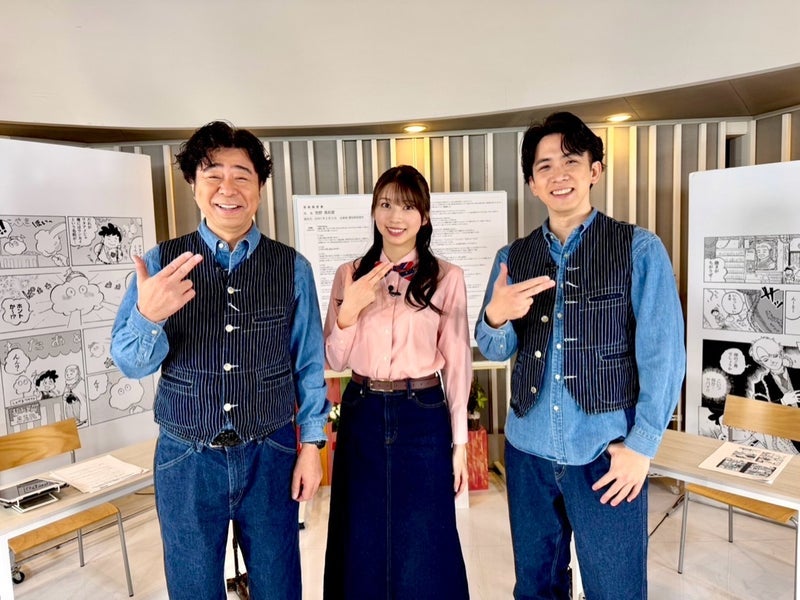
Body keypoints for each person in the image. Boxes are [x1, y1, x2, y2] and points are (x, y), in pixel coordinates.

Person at [110, 121, 329, 600]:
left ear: (259, 188)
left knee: (279, 585)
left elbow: (310, 364)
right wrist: (148, 316)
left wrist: (312, 446)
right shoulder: (161, 263)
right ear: (194, 185)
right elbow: (130, 363)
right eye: (213, 175)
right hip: (186, 456)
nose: (227, 189)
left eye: (241, 176)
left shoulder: (292, 267)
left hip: (270, 451)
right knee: (192, 588)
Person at [475, 112, 685, 600]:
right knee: (535, 588)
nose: (559, 175)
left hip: (605, 453)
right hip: (528, 452)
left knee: (615, 590)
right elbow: (496, 349)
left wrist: (642, 447)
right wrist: (496, 316)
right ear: (532, 183)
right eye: (544, 166)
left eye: (571, 161)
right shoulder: (512, 257)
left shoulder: (638, 249)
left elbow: (664, 356)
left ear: (595, 170)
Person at [323, 165, 470, 599]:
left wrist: (460, 444)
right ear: (373, 211)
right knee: (360, 529)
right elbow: (334, 358)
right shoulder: (348, 273)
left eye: (407, 206)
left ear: (424, 216)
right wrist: (349, 312)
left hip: (422, 411)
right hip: (362, 408)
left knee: (425, 533)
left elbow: (458, 363)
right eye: (386, 204)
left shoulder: (447, 277)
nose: (395, 216)